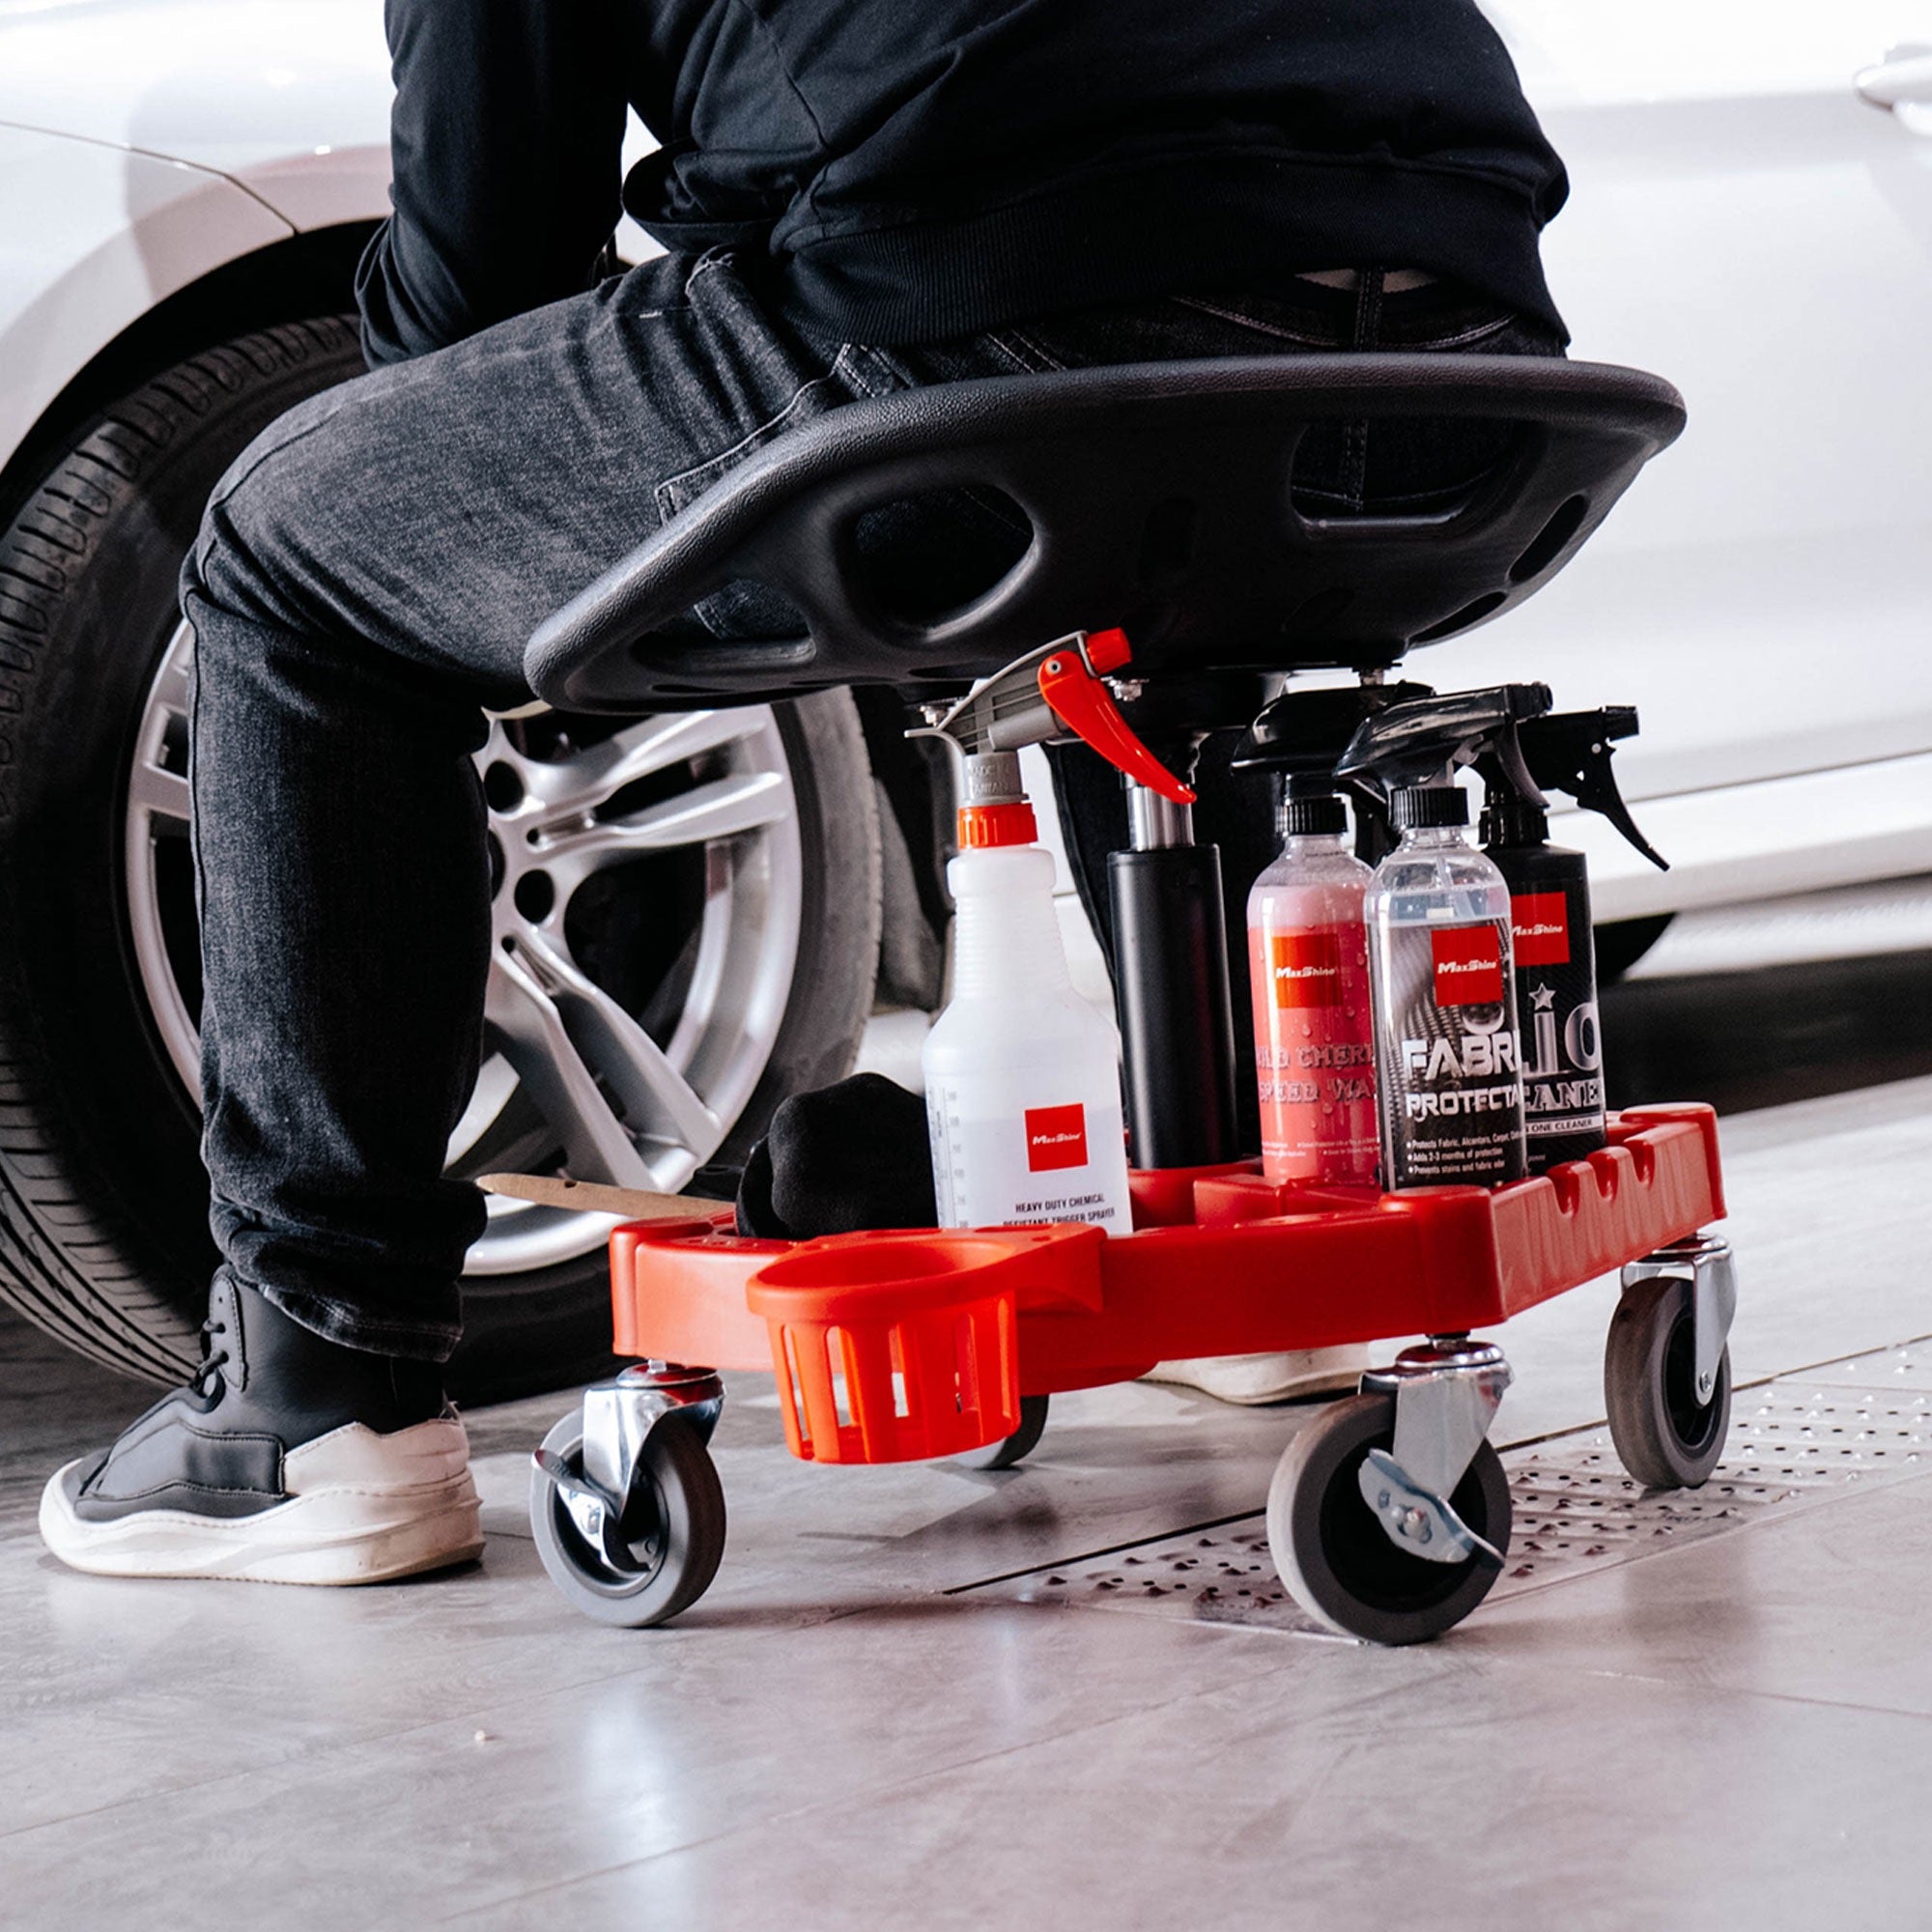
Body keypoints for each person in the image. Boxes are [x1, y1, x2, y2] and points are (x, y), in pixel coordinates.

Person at [39, 0, 1569, 1582]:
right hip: (1472, 351)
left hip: (1021, 312)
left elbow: (483, 274)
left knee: (299, 547)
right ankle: (1261, 1246)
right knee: (1127, 540)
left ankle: (317, 1398)